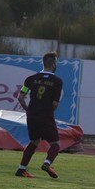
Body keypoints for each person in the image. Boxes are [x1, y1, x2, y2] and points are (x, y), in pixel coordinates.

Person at [14, 51, 64, 179]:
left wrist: (27, 109)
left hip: (32, 115)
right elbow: (55, 104)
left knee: (34, 142)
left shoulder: (31, 79)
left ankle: (21, 169)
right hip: (46, 115)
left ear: (43, 63)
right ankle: (47, 163)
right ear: (54, 65)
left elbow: (20, 97)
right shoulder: (57, 81)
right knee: (55, 144)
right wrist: (48, 112)